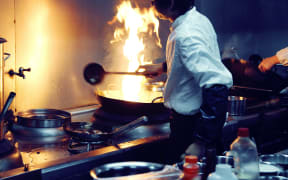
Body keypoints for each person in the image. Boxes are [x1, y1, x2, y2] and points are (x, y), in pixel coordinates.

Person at [139, 0, 233, 163]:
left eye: (155, 1)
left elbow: (216, 84)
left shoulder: (185, 34)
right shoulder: (198, 19)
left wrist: (201, 141)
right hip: (196, 124)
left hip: (191, 127)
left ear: (171, 4)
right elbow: (197, 60)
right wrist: (163, 67)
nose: (152, 3)